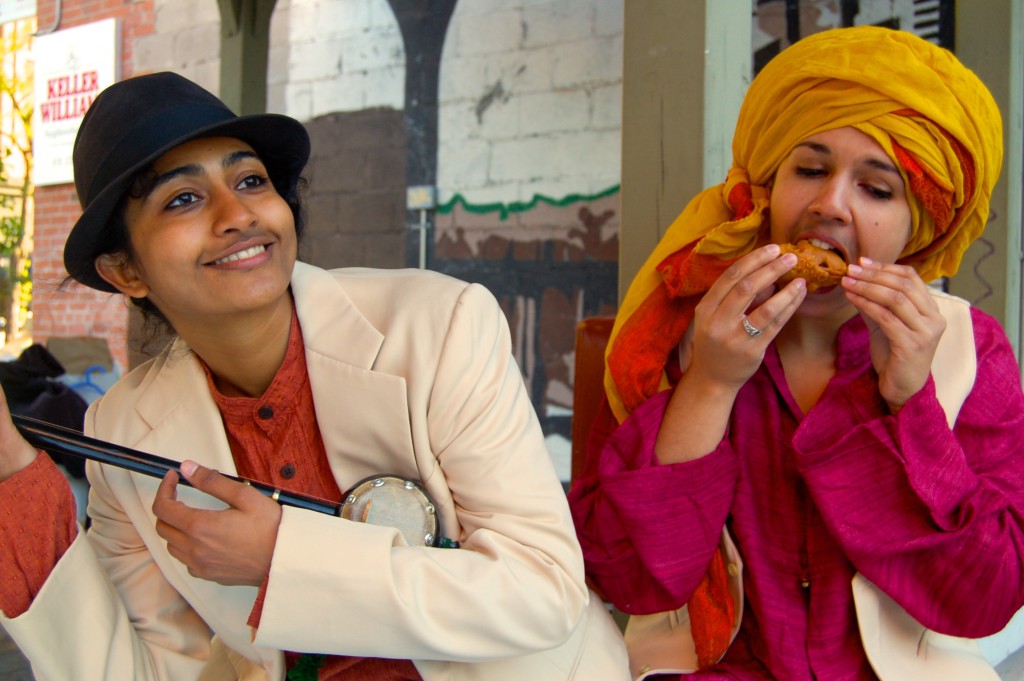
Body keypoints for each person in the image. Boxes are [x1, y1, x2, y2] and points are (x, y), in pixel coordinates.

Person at [0, 71, 629, 680]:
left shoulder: (439, 327)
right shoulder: (121, 432)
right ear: (124, 272)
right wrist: (8, 463)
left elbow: (541, 590)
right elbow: (149, 670)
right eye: (183, 199)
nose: (236, 213)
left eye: (251, 179)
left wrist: (281, 558)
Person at [569, 26, 1024, 681]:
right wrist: (709, 385)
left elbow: (987, 595)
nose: (829, 204)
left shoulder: (971, 351)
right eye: (808, 169)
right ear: (765, 190)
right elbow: (627, 579)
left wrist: (909, 402)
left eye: (877, 189)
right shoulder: (675, 333)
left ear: (919, 226)